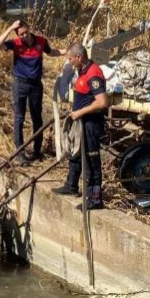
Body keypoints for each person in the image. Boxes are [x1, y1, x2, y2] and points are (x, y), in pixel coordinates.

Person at [0, 19, 65, 165]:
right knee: (19, 118)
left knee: (37, 118)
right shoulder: (15, 44)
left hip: (35, 85)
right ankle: (20, 153)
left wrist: (67, 52)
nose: (24, 36)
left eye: (26, 32)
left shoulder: (41, 41)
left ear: (29, 29)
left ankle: (37, 151)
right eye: (21, 34)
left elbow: (51, 52)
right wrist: (9, 28)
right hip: (20, 84)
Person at [52, 43, 110, 210]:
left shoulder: (93, 74)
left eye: (71, 59)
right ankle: (71, 185)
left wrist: (80, 112)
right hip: (80, 121)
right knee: (75, 154)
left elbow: (102, 102)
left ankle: (95, 198)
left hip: (90, 123)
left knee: (91, 161)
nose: (69, 62)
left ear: (79, 57)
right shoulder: (82, 71)